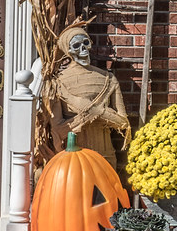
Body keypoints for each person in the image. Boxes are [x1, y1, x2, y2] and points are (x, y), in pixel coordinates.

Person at [46, 25, 130, 169]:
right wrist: (82, 118)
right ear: (68, 50)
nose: (83, 49)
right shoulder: (58, 83)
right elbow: (57, 131)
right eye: (76, 46)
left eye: (86, 43)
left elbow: (123, 122)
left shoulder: (108, 79)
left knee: (107, 190)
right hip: (73, 155)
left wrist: (96, 112)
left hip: (105, 154)